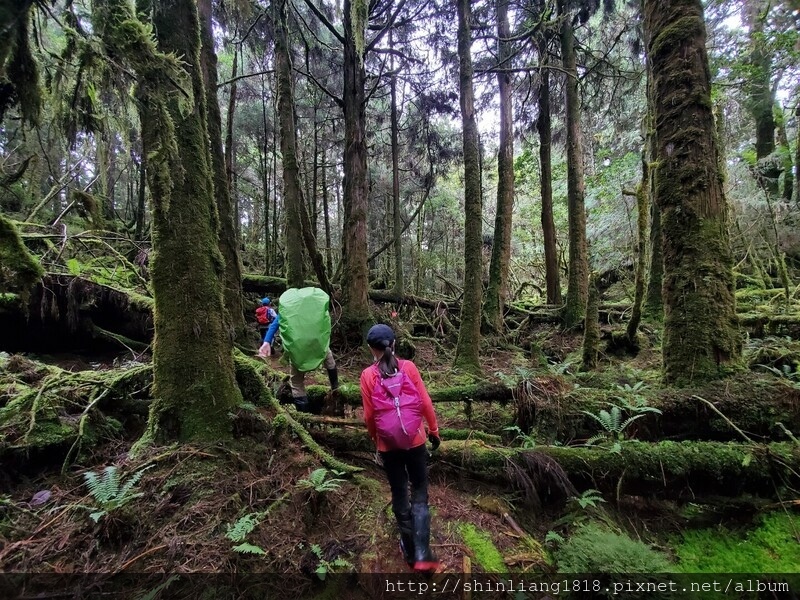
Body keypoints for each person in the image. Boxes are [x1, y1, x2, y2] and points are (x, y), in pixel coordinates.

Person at [360, 323, 441, 573]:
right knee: (419, 491)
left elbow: (369, 416)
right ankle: (423, 553)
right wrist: (434, 431)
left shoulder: (367, 375)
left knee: (399, 493)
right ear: (394, 344)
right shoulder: (409, 367)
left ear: (372, 350)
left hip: (388, 446)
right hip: (415, 440)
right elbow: (425, 402)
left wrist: (377, 439)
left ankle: (408, 551)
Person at [277, 287, 338, 412]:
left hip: (297, 349)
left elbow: (279, 324)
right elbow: (326, 323)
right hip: (318, 345)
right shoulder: (316, 310)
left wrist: (267, 341)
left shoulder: (289, 311)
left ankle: (304, 415)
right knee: (330, 362)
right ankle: (336, 388)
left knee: (296, 383)